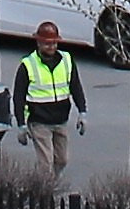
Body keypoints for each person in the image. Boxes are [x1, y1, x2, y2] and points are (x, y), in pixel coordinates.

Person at [16, 20, 85, 175]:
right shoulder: (28, 65)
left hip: (60, 120)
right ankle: (44, 188)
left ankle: (47, 184)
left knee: (62, 160)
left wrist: (82, 112)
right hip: (39, 121)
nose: (51, 47)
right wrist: (21, 125)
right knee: (45, 163)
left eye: (54, 43)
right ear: (38, 43)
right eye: (47, 44)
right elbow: (18, 97)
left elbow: (76, 87)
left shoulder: (67, 60)